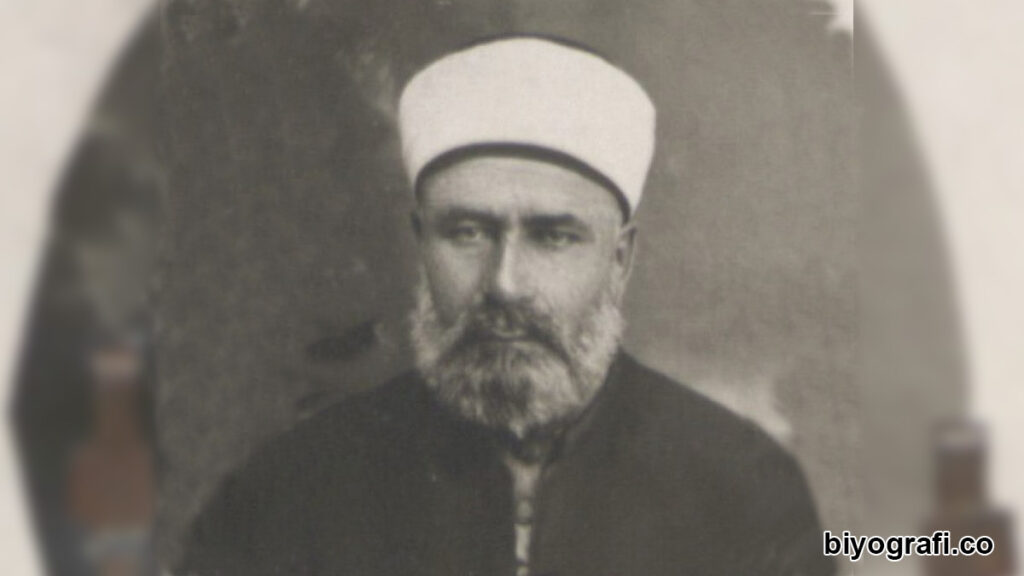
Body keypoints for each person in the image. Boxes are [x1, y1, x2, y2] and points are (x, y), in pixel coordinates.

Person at [178, 37, 833, 576]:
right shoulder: (289, 490)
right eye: (467, 232)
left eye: (553, 236)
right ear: (420, 242)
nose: (505, 284)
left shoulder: (746, 493)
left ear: (620, 259)